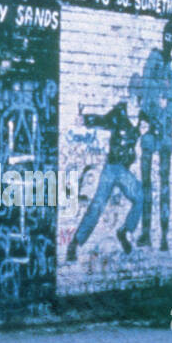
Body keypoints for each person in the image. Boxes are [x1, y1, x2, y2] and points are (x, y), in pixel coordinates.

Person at [66, 102, 142, 261]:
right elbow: (104, 120)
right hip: (112, 168)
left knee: (140, 197)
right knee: (98, 205)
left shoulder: (142, 116)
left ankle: (124, 231)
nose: (137, 99)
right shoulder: (119, 113)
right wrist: (85, 119)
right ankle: (75, 243)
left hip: (123, 171)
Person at [137, 20, 172, 249]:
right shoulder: (154, 59)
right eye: (166, 36)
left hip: (163, 132)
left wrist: (163, 108)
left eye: (171, 37)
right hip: (152, 129)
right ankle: (146, 233)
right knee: (147, 184)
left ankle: (163, 236)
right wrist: (160, 101)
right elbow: (145, 90)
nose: (168, 41)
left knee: (163, 184)